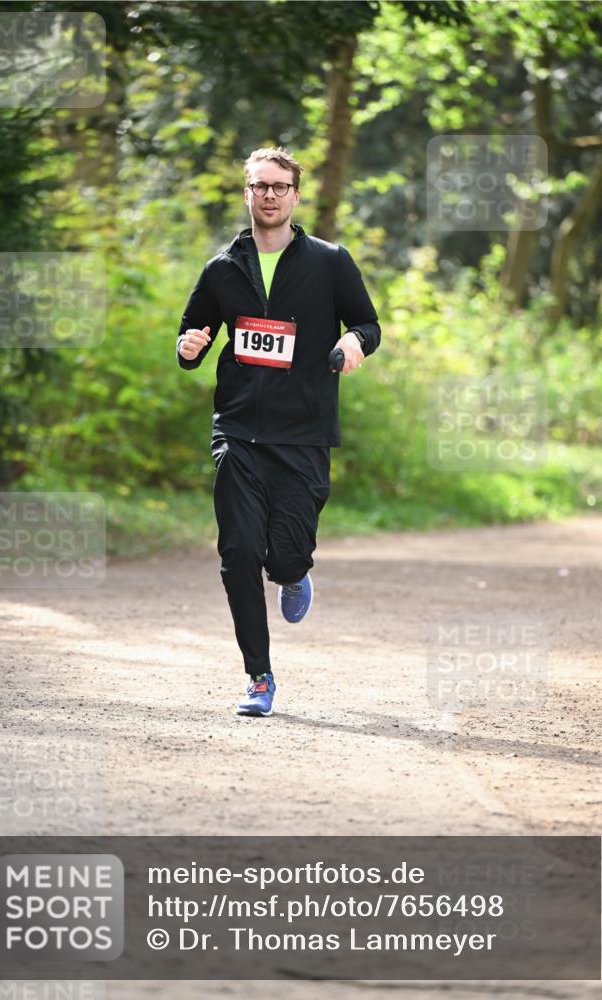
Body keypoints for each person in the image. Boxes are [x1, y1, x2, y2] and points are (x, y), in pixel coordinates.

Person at [177, 146, 380, 717]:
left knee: (285, 556)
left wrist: (352, 342)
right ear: (246, 193)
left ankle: (294, 573)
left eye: (279, 187)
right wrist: (187, 346)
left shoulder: (328, 261)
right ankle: (258, 677)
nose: (269, 195)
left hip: (304, 432)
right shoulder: (221, 269)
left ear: (295, 195)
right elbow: (193, 333)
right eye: (259, 186)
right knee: (238, 550)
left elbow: (369, 323)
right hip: (238, 431)